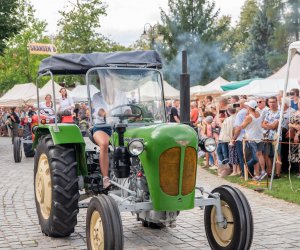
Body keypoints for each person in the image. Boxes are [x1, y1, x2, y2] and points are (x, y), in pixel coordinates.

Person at [92, 77, 131, 189]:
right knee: (104, 144)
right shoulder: (96, 96)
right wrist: (105, 114)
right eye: (103, 81)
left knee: (135, 143)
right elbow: (99, 109)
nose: (106, 84)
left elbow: (126, 109)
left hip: (119, 127)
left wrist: (129, 112)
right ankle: (106, 179)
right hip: (102, 127)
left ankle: (132, 174)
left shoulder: (121, 95)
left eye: (109, 80)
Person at [240, 100, 266, 181]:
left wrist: (245, 118)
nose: (246, 107)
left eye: (247, 106)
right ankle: (262, 171)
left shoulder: (249, 117)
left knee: (255, 157)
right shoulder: (259, 114)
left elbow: (242, 126)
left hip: (252, 138)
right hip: (259, 137)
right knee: (260, 154)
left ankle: (257, 174)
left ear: (250, 107)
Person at [262, 96, 281, 178]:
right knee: (266, 155)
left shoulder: (280, 112)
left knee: (277, 155)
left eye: (273, 102)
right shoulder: (268, 112)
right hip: (267, 136)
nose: (272, 104)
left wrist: (267, 125)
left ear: (277, 102)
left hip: (276, 137)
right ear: (268, 103)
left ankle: (277, 174)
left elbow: (274, 126)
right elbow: (262, 124)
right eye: (270, 102)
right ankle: (269, 172)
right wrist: (269, 125)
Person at [288, 99, 300, 178]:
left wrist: (297, 134)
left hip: (298, 135)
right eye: (299, 103)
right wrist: (294, 126)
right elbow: (289, 123)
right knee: (297, 155)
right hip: (293, 134)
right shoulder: (295, 112)